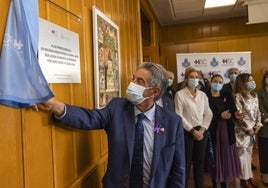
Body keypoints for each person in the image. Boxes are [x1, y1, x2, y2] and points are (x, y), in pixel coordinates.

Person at [33, 62, 186, 188]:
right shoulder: (117, 108)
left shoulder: (172, 122)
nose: (132, 84)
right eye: (133, 78)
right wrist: (54, 105)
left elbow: (178, 169)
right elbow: (89, 118)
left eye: (139, 81)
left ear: (154, 91)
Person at [174, 67, 213, 188]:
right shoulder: (180, 94)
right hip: (187, 132)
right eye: (192, 77)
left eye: (197, 77)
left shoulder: (202, 95)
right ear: (186, 79)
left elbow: (209, 113)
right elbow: (178, 115)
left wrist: (202, 130)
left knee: (199, 163)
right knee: (185, 163)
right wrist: (192, 130)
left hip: (201, 132)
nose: (194, 79)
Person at [206, 74, 241, 188]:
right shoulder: (205, 96)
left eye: (220, 82)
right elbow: (205, 114)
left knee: (225, 156)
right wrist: (220, 115)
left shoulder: (226, 96)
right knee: (214, 156)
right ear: (211, 82)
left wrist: (236, 115)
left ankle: (224, 181)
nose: (218, 84)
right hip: (213, 130)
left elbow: (233, 110)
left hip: (226, 131)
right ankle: (214, 181)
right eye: (215, 81)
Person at [233, 73, 263, 188]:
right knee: (242, 155)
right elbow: (239, 115)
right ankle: (242, 179)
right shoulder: (238, 96)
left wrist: (258, 125)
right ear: (242, 83)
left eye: (252, 79)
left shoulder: (254, 95)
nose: (252, 82)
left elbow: (258, 112)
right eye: (249, 80)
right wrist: (248, 128)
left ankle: (249, 177)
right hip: (242, 130)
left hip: (253, 131)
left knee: (249, 155)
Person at [257, 71, 268, 186]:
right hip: (264, 129)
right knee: (265, 154)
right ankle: (264, 176)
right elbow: (259, 108)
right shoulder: (258, 92)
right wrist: (266, 117)